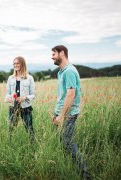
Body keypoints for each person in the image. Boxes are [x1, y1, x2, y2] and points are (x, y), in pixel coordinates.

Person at [50, 45, 90, 179]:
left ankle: (85, 175)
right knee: (62, 143)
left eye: (54, 54)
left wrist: (61, 115)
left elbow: (71, 94)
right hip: (60, 113)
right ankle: (69, 168)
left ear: (62, 53)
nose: (52, 57)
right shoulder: (61, 72)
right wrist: (56, 112)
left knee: (67, 142)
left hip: (68, 114)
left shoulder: (69, 71)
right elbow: (62, 95)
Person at [4, 56, 35, 143]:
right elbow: (7, 93)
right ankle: (10, 144)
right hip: (13, 107)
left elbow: (33, 95)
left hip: (26, 107)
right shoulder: (11, 78)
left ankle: (32, 145)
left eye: (17, 63)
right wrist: (8, 98)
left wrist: (25, 97)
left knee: (29, 128)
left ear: (22, 64)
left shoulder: (29, 78)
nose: (15, 65)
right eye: (14, 64)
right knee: (11, 129)